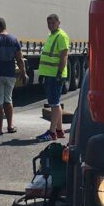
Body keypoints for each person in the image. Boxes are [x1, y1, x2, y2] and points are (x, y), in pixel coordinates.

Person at [36, 14, 70, 142]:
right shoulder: (52, 35)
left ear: (58, 22)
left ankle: (51, 132)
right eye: (48, 23)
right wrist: (42, 74)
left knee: (54, 104)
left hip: (55, 75)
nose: (50, 25)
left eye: (52, 23)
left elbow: (64, 56)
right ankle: (59, 130)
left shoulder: (61, 36)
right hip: (50, 74)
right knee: (55, 103)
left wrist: (59, 73)